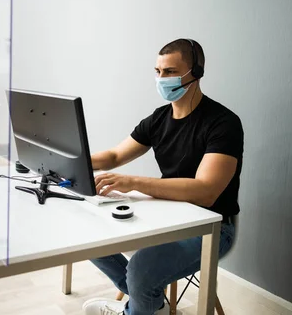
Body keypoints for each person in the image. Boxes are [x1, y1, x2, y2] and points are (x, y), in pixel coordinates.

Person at [83, 39, 243, 315]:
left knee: (142, 270)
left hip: (214, 228)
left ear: (197, 72)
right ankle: (148, 304)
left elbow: (206, 191)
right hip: (171, 215)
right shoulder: (159, 119)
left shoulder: (223, 123)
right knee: (88, 235)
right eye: (157, 71)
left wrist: (133, 181)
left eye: (170, 71)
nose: (161, 79)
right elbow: (114, 156)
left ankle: (140, 304)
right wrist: (74, 159)